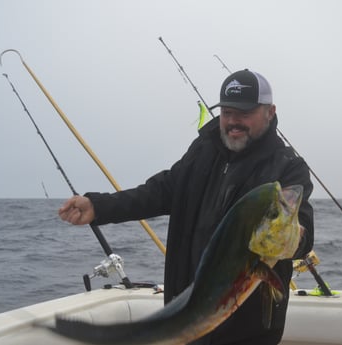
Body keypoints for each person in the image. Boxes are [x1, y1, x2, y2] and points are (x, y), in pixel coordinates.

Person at [59, 69, 314, 345]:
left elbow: (303, 234)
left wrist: (292, 239)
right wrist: (99, 206)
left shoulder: (288, 167)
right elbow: (160, 191)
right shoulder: (204, 149)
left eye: (245, 113)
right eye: (227, 112)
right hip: (188, 318)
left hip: (246, 334)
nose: (233, 122)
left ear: (270, 111)